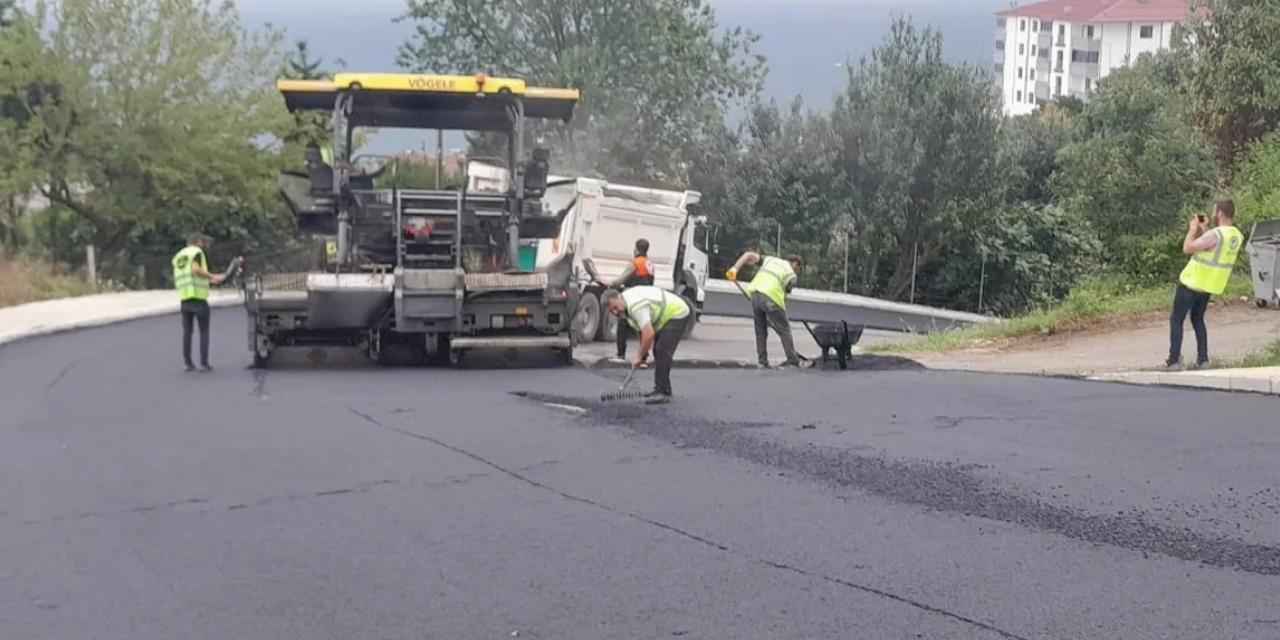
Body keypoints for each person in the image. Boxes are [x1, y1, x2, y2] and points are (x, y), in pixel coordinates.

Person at [1167, 200, 1243, 369]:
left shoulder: (1215, 234)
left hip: (1191, 282)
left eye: (1215, 211)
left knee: (1177, 319)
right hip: (1209, 285)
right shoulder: (1235, 236)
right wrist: (1204, 229)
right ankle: (1203, 359)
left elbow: (1187, 248)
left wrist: (1192, 229)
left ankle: (1174, 360)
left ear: (1220, 213)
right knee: (1198, 319)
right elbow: (1213, 247)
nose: (1213, 214)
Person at [603, 285, 691, 405]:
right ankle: (663, 389)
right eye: (611, 311)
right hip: (664, 317)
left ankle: (662, 392)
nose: (615, 312)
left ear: (619, 297)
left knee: (661, 350)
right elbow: (642, 332)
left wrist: (639, 356)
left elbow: (648, 334)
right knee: (658, 350)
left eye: (615, 307)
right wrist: (643, 356)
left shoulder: (635, 306)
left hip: (677, 312)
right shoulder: (626, 308)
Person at [726, 251, 804, 368]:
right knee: (784, 329)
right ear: (795, 264)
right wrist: (777, 316)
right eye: (798, 269)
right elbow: (784, 296)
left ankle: (762, 361)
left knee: (760, 331)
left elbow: (748, 255)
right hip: (771, 298)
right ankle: (793, 360)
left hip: (755, 294)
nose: (797, 271)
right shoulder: (791, 275)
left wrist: (734, 269)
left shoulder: (770, 260)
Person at [172, 233, 236, 373]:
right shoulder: (196, 252)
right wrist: (213, 276)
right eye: (203, 242)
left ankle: (188, 363)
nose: (204, 245)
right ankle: (204, 364)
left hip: (185, 299)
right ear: (198, 242)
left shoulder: (179, 256)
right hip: (199, 299)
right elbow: (195, 270)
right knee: (204, 331)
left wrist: (212, 280)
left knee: (187, 332)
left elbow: (190, 276)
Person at [609, 238, 656, 363]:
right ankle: (644, 357)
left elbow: (621, 280)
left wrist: (612, 284)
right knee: (643, 327)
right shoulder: (650, 264)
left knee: (622, 324)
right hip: (647, 298)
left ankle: (620, 355)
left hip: (634, 298)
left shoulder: (636, 263)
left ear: (636, 249)